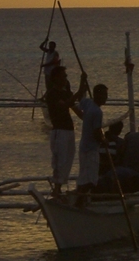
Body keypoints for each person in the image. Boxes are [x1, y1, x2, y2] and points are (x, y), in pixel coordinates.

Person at [43, 66, 89, 198]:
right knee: (60, 160)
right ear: (56, 78)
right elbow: (64, 105)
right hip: (59, 131)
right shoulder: (52, 94)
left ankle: (61, 187)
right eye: (63, 76)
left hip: (69, 131)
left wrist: (82, 82)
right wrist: (77, 92)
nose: (65, 78)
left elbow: (78, 112)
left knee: (68, 159)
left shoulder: (66, 93)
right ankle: (57, 189)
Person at [76, 83, 109, 200]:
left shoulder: (88, 103)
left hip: (83, 147)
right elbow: (96, 133)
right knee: (90, 179)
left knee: (83, 176)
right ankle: (80, 200)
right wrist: (104, 141)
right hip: (91, 149)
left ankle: (80, 197)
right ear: (98, 95)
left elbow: (81, 99)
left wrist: (82, 81)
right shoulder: (97, 112)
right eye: (104, 95)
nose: (106, 97)